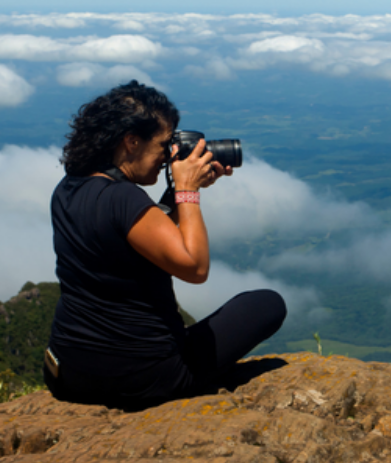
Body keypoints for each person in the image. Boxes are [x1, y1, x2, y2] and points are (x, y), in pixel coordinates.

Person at [44, 80, 286, 410]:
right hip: (145, 379)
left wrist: (175, 194)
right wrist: (188, 192)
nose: (167, 156)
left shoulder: (68, 188)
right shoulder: (124, 197)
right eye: (163, 145)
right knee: (266, 304)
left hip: (68, 374)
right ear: (131, 142)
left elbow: (140, 235)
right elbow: (195, 267)